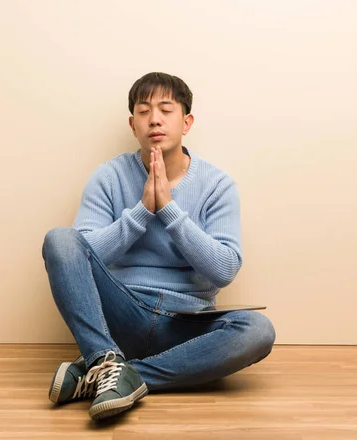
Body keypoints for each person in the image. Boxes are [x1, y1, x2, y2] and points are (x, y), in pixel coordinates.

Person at [41, 72, 276, 421]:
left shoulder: (217, 185)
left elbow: (225, 269)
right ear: (133, 124)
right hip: (123, 316)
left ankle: (119, 375)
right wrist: (140, 213)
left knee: (258, 331)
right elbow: (79, 254)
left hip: (187, 326)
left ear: (187, 121)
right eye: (144, 110)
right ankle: (106, 359)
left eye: (166, 109)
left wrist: (169, 210)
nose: (155, 119)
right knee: (59, 238)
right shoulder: (109, 176)